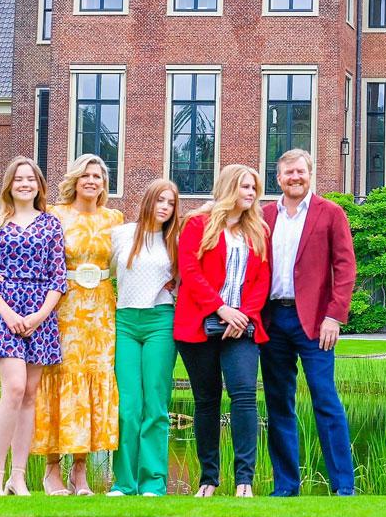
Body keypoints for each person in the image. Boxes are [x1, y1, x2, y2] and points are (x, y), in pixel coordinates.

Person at [260, 149, 357, 496]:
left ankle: (343, 487)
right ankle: (285, 487)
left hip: (316, 322)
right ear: (278, 179)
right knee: (278, 403)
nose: (294, 178)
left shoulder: (330, 213)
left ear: (310, 174)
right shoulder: (265, 215)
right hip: (273, 320)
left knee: (325, 400)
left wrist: (334, 315)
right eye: (288, 173)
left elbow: (345, 268)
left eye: (300, 171)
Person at [0, 156, 67, 496]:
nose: (25, 184)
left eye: (31, 179)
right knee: (12, 389)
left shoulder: (51, 224)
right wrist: (9, 314)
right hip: (2, 311)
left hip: (40, 313)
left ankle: (18, 476)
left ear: (39, 186)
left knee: (29, 395)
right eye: (18, 179)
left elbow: (59, 277)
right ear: (9, 185)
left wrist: (41, 314)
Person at [175, 164, 271, 498]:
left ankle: (245, 479)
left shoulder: (258, 230)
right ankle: (209, 479)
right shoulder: (197, 225)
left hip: (241, 329)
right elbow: (190, 270)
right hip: (200, 325)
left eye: (254, 188)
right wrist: (221, 309)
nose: (251, 193)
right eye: (245, 186)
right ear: (230, 187)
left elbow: (262, 279)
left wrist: (242, 316)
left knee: (244, 395)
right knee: (206, 401)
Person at [33, 154, 123, 496]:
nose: (92, 181)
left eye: (98, 176)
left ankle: (80, 471)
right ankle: (52, 469)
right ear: (75, 179)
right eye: (86, 175)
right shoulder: (55, 215)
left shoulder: (114, 219)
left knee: (94, 382)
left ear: (104, 183)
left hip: (101, 310)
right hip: (64, 308)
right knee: (61, 382)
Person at [106, 179, 182, 497]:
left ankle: (153, 482)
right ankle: (124, 483)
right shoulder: (123, 234)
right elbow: (99, 269)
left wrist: (174, 288)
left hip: (160, 323)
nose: (164, 207)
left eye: (171, 203)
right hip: (125, 322)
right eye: (160, 200)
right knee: (128, 406)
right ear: (148, 201)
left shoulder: (176, 240)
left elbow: (186, 277)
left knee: (155, 403)